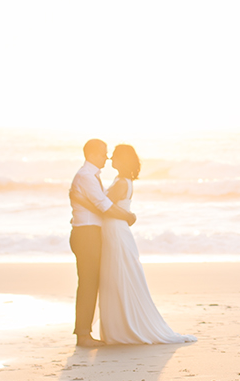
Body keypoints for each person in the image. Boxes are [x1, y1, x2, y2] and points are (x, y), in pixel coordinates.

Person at [98, 143, 195, 345]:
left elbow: (104, 207)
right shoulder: (122, 181)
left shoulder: (121, 183)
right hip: (116, 229)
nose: (110, 159)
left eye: (114, 155)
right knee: (117, 277)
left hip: (115, 230)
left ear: (122, 159)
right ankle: (120, 327)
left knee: (119, 276)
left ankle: (123, 329)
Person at [68, 138, 135, 347]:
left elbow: (99, 204)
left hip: (90, 232)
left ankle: (84, 332)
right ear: (93, 154)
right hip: (86, 233)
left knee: (92, 282)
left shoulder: (90, 176)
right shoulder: (86, 176)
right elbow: (104, 206)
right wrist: (128, 216)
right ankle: (83, 334)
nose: (106, 157)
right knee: (88, 283)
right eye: (103, 153)